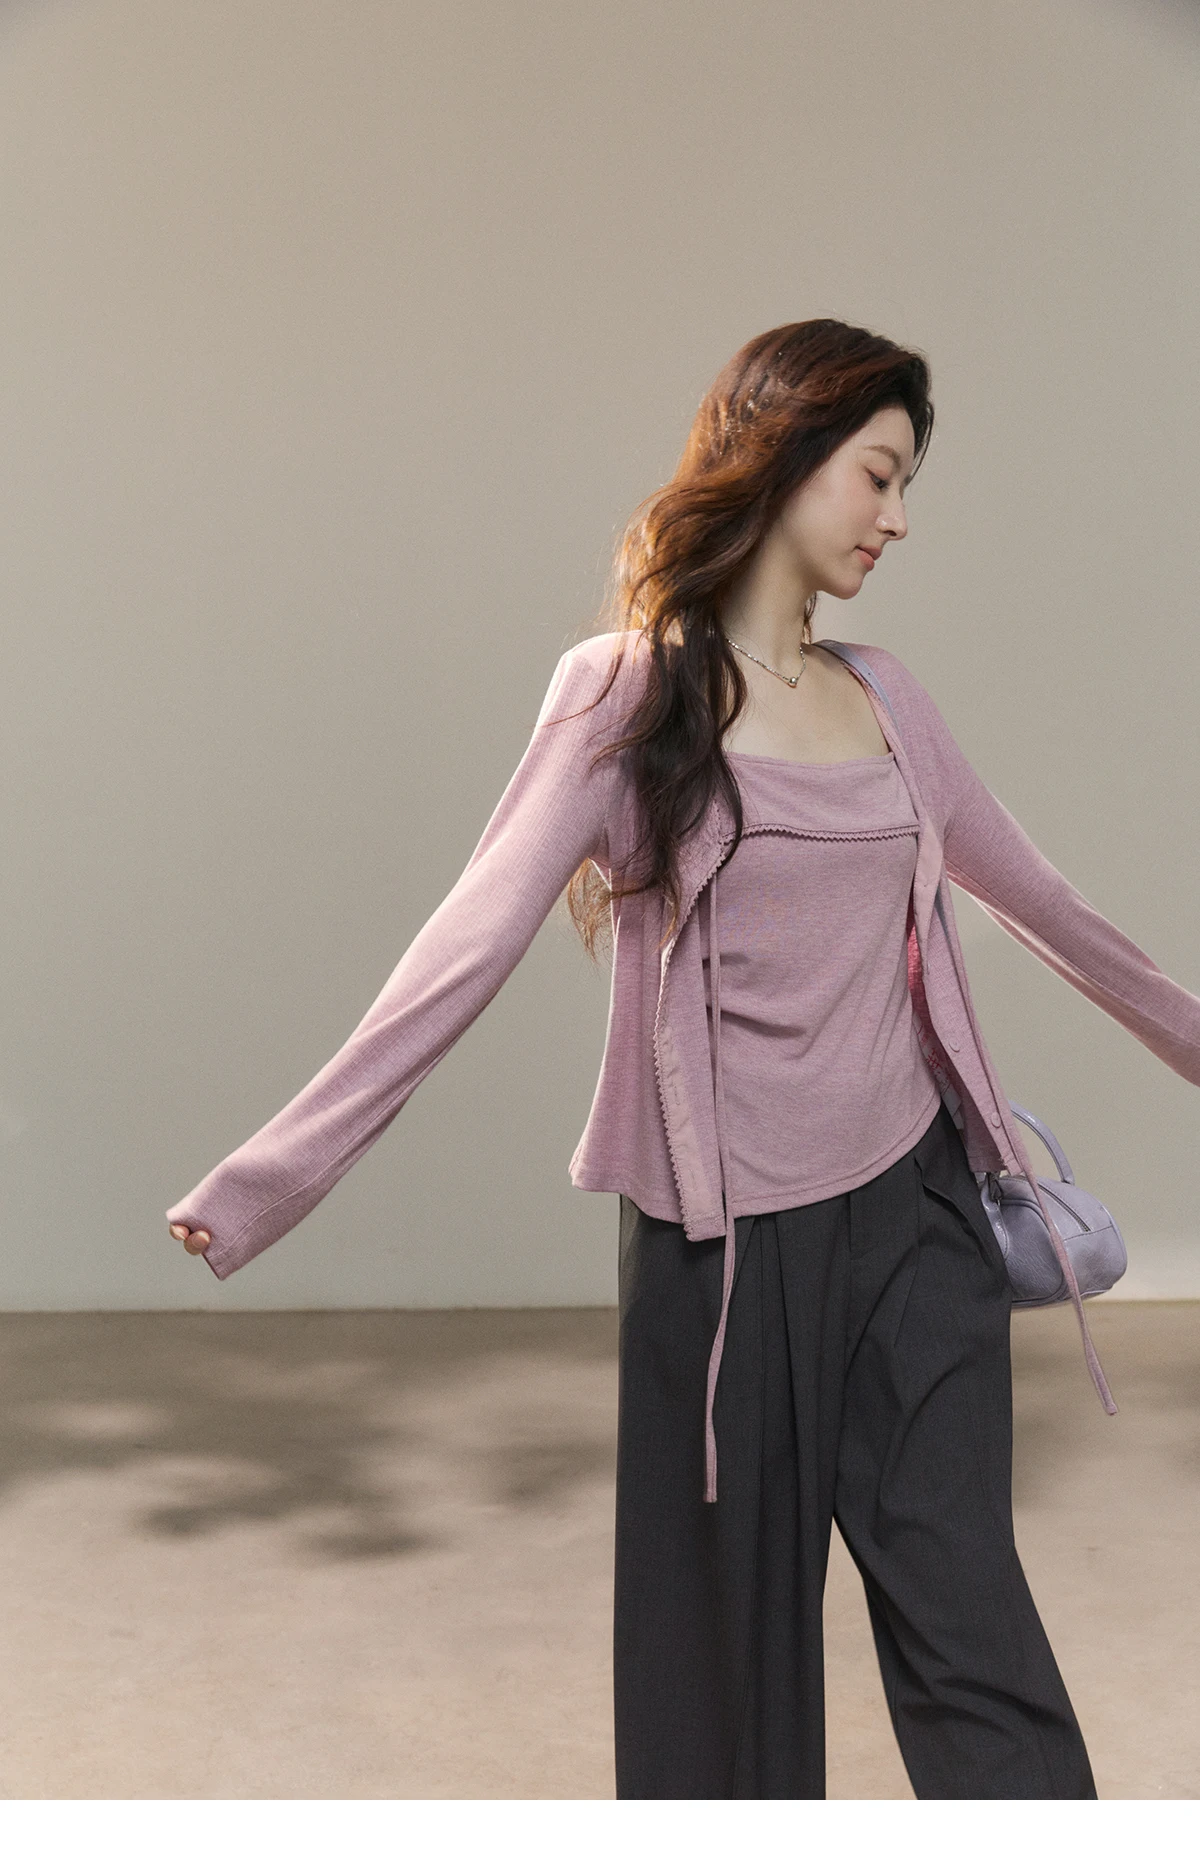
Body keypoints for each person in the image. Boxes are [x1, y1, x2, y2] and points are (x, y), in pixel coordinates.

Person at [167, 319, 1200, 1800]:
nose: (898, 517)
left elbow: (1052, 909)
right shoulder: (624, 694)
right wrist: (268, 1182)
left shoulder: (891, 700)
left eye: (907, 486)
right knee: (720, 1692)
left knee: (977, 1635)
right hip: (726, 1259)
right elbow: (466, 947)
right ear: (785, 456)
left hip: (917, 1223)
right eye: (878, 475)